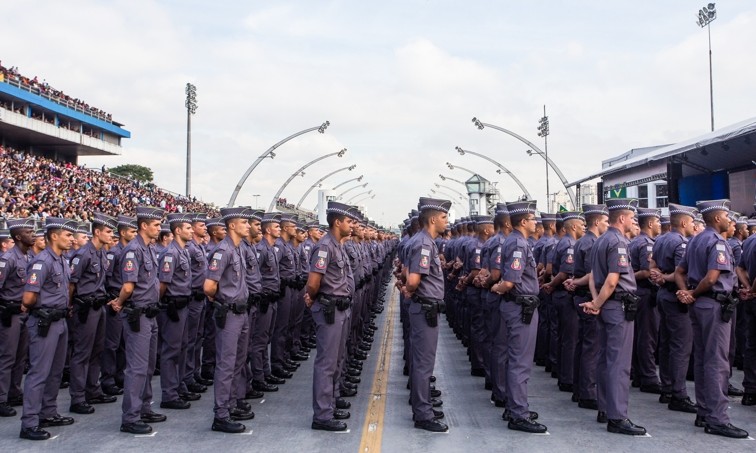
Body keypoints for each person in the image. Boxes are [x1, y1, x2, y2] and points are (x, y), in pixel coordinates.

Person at [674, 199, 749, 439]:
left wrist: (686, 292)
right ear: (717, 218)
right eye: (727, 216)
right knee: (717, 362)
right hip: (712, 304)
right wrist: (692, 293)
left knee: (704, 359)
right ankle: (718, 418)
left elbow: (679, 271)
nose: (731, 221)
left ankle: (704, 412)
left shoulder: (695, 239)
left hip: (700, 305)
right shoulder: (717, 242)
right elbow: (711, 277)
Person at [580, 198, 646, 436]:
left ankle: (605, 408)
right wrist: (598, 302)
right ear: (622, 218)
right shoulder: (618, 241)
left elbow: (592, 277)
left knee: (605, 359)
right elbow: (612, 279)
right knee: (619, 363)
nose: (633, 221)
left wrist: (597, 302)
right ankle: (617, 417)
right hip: (617, 307)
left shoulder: (600, 241)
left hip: (608, 305)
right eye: (631, 217)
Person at [490, 200, 547, 434]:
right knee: (520, 362)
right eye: (533, 219)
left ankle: (514, 406)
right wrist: (497, 289)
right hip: (519, 308)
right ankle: (518, 414)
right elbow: (510, 281)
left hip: (520, 306)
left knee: (516, 359)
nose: (536, 222)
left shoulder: (517, 241)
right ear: (523, 221)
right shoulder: (517, 244)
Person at [109, 206, 167, 435]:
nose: (159, 228)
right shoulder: (133, 250)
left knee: (149, 366)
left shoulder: (150, 249)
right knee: (137, 367)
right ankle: (130, 417)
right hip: (138, 315)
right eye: (155, 225)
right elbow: (128, 286)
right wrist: (120, 302)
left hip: (150, 313)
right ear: (143, 225)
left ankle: (144, 408)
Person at [19, 217, 78, 441]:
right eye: (68, 235)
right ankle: (29, 423)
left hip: (60, 320)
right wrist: (40, 309)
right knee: (38, 373)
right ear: (54, 236)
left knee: (54, 372)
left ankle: (48, 412)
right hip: (45, 322)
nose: (72, 239)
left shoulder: (61, 260)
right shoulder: (42, 261)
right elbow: (28, 296)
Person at [305, 201, 359, 431]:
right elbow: (314, 282)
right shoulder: (325, 247)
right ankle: (322, 415)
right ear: (337, 222)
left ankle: (331, 401)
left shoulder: (338, 245)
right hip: (329, 310)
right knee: (326, 363)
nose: (352, 225)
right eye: (349, 221)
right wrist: (313, 296)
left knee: (336, 360)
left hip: (340, 308)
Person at [402, 197, 451, 432]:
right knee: (423, 363)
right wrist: (408, 289)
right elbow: (413, 279)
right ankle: (423, 414)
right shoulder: (424, 244)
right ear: (433, 219)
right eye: (444, 217)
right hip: (425, 309)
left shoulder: (426, 242)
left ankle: (422, 406)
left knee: (422, 361)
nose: (447, 222)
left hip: (424, 308)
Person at [204, 207, 253, 433]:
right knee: (226, 364)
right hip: (229, 313)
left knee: (237, 362)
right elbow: (209, 286)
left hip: (241, 313)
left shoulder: (238, 249)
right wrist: (222, 301)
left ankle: (231, 405)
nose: (249, 226)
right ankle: (221, 415)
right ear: (232, 225)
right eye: (244, 222)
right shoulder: (222, 250)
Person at [68, 213, 119, 415]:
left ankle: (92, 390)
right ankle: (78, 397)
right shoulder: (83, 254)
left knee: (97, 350)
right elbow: (72, 284)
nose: (111, 235)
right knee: (82, 353)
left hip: (99, 306)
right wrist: (71, 306)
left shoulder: (101, 253)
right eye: (108, 231)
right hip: (85, 308)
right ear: (96, 232)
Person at [650, 203, 697, 413]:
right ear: (684, 222)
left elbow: (652, 265)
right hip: (676, 295)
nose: (694, 225)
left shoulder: (660, 239)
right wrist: (669, 280)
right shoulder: (681, 242)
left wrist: (658, 276)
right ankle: (678, 393)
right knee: (681, 346)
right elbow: (681, 273)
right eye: (693, 222)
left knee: (667, 343)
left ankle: (667, 388)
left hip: (663, 295)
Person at [564, 204, 609, 410]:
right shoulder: (592, 244)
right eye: (606, 221)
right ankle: (588, 393)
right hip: (586, 298)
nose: (607, 225)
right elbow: (592, 276)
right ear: (598, 222)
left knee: (583, 345)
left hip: (579, 297)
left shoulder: (582, 241)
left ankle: (579, 389)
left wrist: (574, 281)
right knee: (591, 347)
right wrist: (595, 301)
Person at [542, 211, 585, 394]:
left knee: (561, 336)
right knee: (570, 339)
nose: (584, 228)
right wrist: (552, 284)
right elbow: (564, 273)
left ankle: (561, 372)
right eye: (581, 225)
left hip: (559, 295)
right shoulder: (569, 244)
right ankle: (567, 377)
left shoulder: (561, 242)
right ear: (573, 227)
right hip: (565, 295)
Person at [157, 213, 195, 410]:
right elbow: (163, 283)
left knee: (182, 347)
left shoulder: (183, 251)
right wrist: (163, 302)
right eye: (188, 228)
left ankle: (178, 386)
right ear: (177, 230)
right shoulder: (170, 253)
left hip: (183, 305)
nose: (191, 231)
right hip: (173, 306)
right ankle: (169, 394)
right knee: (171, 351)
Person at [0, 217, 35, 418]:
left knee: (20, 356)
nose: (33, 235)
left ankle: (14, 391)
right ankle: (1, 398)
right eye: (29, 232)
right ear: (18, 236)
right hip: (9, 313)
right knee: (7, 357)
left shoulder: (29, 257)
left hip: (24, 313)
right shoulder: (7, 259)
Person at [101, 216, 137, 396]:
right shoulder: (114, 252)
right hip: (115, 300)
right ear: (123, 233)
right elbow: (105, 277)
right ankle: (107, 378)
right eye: (132, 231)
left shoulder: (130, 251)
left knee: (124, 342)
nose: (135, 234)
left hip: (126, 300)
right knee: (112, 343)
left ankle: (119, 375)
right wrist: (113, 299)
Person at [628, 208, 662, 393]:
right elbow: (647, 271)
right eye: (657, 221)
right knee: (648, 337)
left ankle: (640, 375)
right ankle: (648, 376)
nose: (659, 225)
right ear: (650, 224)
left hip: (637, 294)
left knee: (640, 335)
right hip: (645, 293)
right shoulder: (647, 244)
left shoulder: (635, 241)